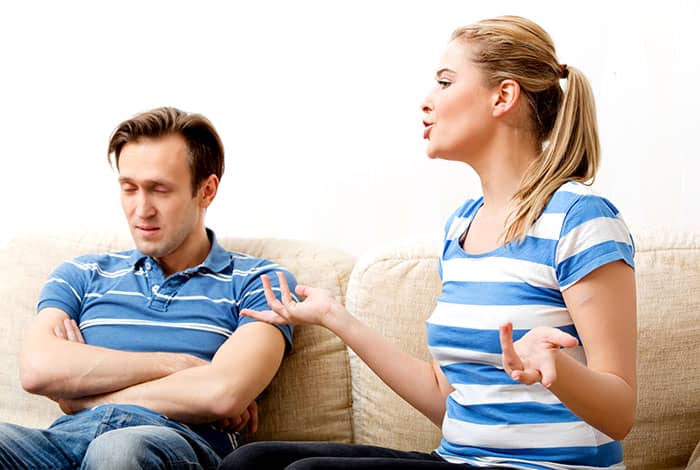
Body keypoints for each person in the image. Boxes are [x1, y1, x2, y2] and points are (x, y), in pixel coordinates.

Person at [219, 15, 636, 470]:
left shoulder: (580, 219)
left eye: (445, 82)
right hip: (460, 459)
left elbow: (620, 414)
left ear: (503, 96)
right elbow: (445, 400)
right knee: (251, 462)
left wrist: (559, 371)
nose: (426, 101)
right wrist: (334, 318)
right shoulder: (462, 226)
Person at [0, 107, 297, 469]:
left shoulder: (259, 282)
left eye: (160, 190)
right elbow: (37, 369)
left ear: (206, 190)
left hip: (170, 443)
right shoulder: (81, 274)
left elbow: (223, 393)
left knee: (118, 450)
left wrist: (82, 398)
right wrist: (180, 365)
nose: (142, 209)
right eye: (129, 188)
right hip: (66, 440)